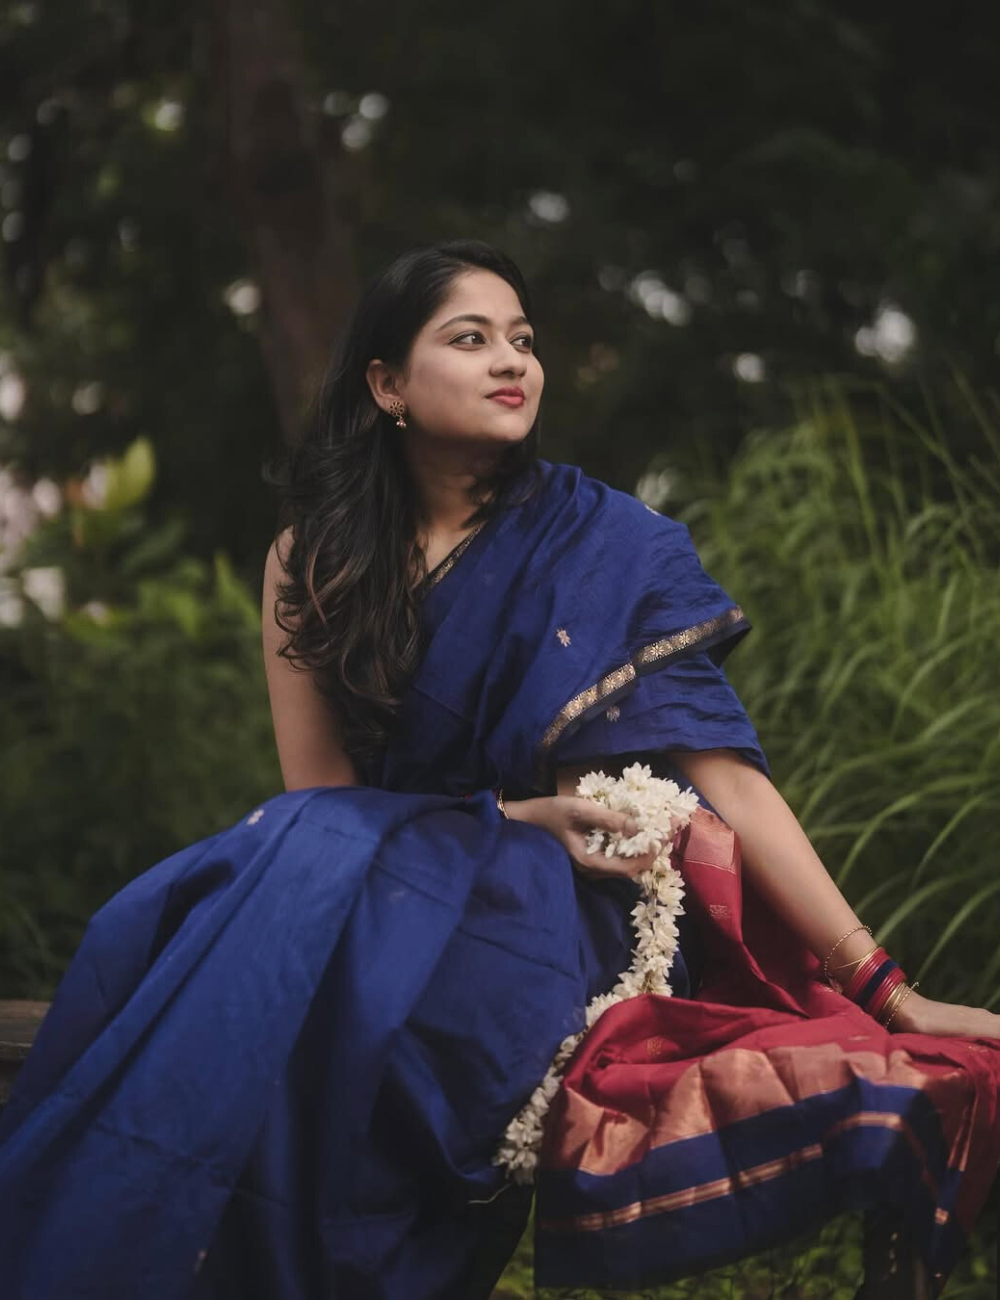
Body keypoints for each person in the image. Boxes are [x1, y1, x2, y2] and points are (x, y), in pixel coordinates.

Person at [0, 239, 997, 1300]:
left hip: (564, 904)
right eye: (469, 339)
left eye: (521, 339)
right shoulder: (313, 557)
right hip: (385, 878)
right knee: (222, 914)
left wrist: (888, 992)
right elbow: (318, 801)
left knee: (329, 972)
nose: (510, 360)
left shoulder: (606, 540)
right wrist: (508, 813)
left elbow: (733, 782)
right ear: (386, 383)